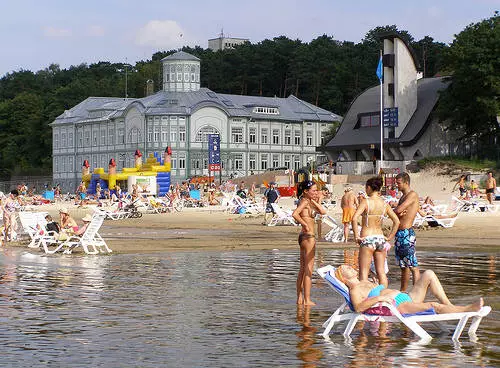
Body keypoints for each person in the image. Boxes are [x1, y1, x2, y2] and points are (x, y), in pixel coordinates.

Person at [335, 264, 483, 315]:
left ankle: (450, 306)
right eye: (345, 268)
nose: (349, 266)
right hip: (398, 306)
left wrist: (376, 285)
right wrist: (379, 298)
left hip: (405, 297)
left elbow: (381, 290)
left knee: (429, 274)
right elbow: (359, 307)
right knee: (433, 306)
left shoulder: (365, 281)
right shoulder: (354, 290)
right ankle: (467, 309)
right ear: (343, 278)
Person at [352, 177, 399, 287]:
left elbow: (354, 218)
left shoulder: (366, 202)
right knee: (381, 273)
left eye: (366, 188)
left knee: (364, 273)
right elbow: (396, 221)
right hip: (380, 238)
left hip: (367, 238)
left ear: (369, 188)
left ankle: (363, 298)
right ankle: (383, 297)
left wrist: (356, 236)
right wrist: (389, 237)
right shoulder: (384, 204)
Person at [292, 180, 327, 306]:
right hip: (308, 237)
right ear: (306, 191)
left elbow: (323, 212)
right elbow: (295, 214)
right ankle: (307, 300)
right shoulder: (305, 201)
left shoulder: (307, 201)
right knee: (308, 270)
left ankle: (299, 298)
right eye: (314, 190)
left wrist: (317, 200)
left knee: (302, 269)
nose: (316, 192)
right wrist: (305, 224)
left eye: (317, 190)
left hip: (303, 237)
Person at [393, 172, 420, 291]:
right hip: (399, 234)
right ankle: (403, 292)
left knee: (413, 265)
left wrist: (396, 211)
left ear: (406, 183)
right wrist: (396, 211)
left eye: (398, 183)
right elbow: (397, 213)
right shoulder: (403, 197)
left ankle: (417, 292)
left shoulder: (412, 195)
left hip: (407, 234)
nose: (396, 185)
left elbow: (398, 210)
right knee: (404, 266)